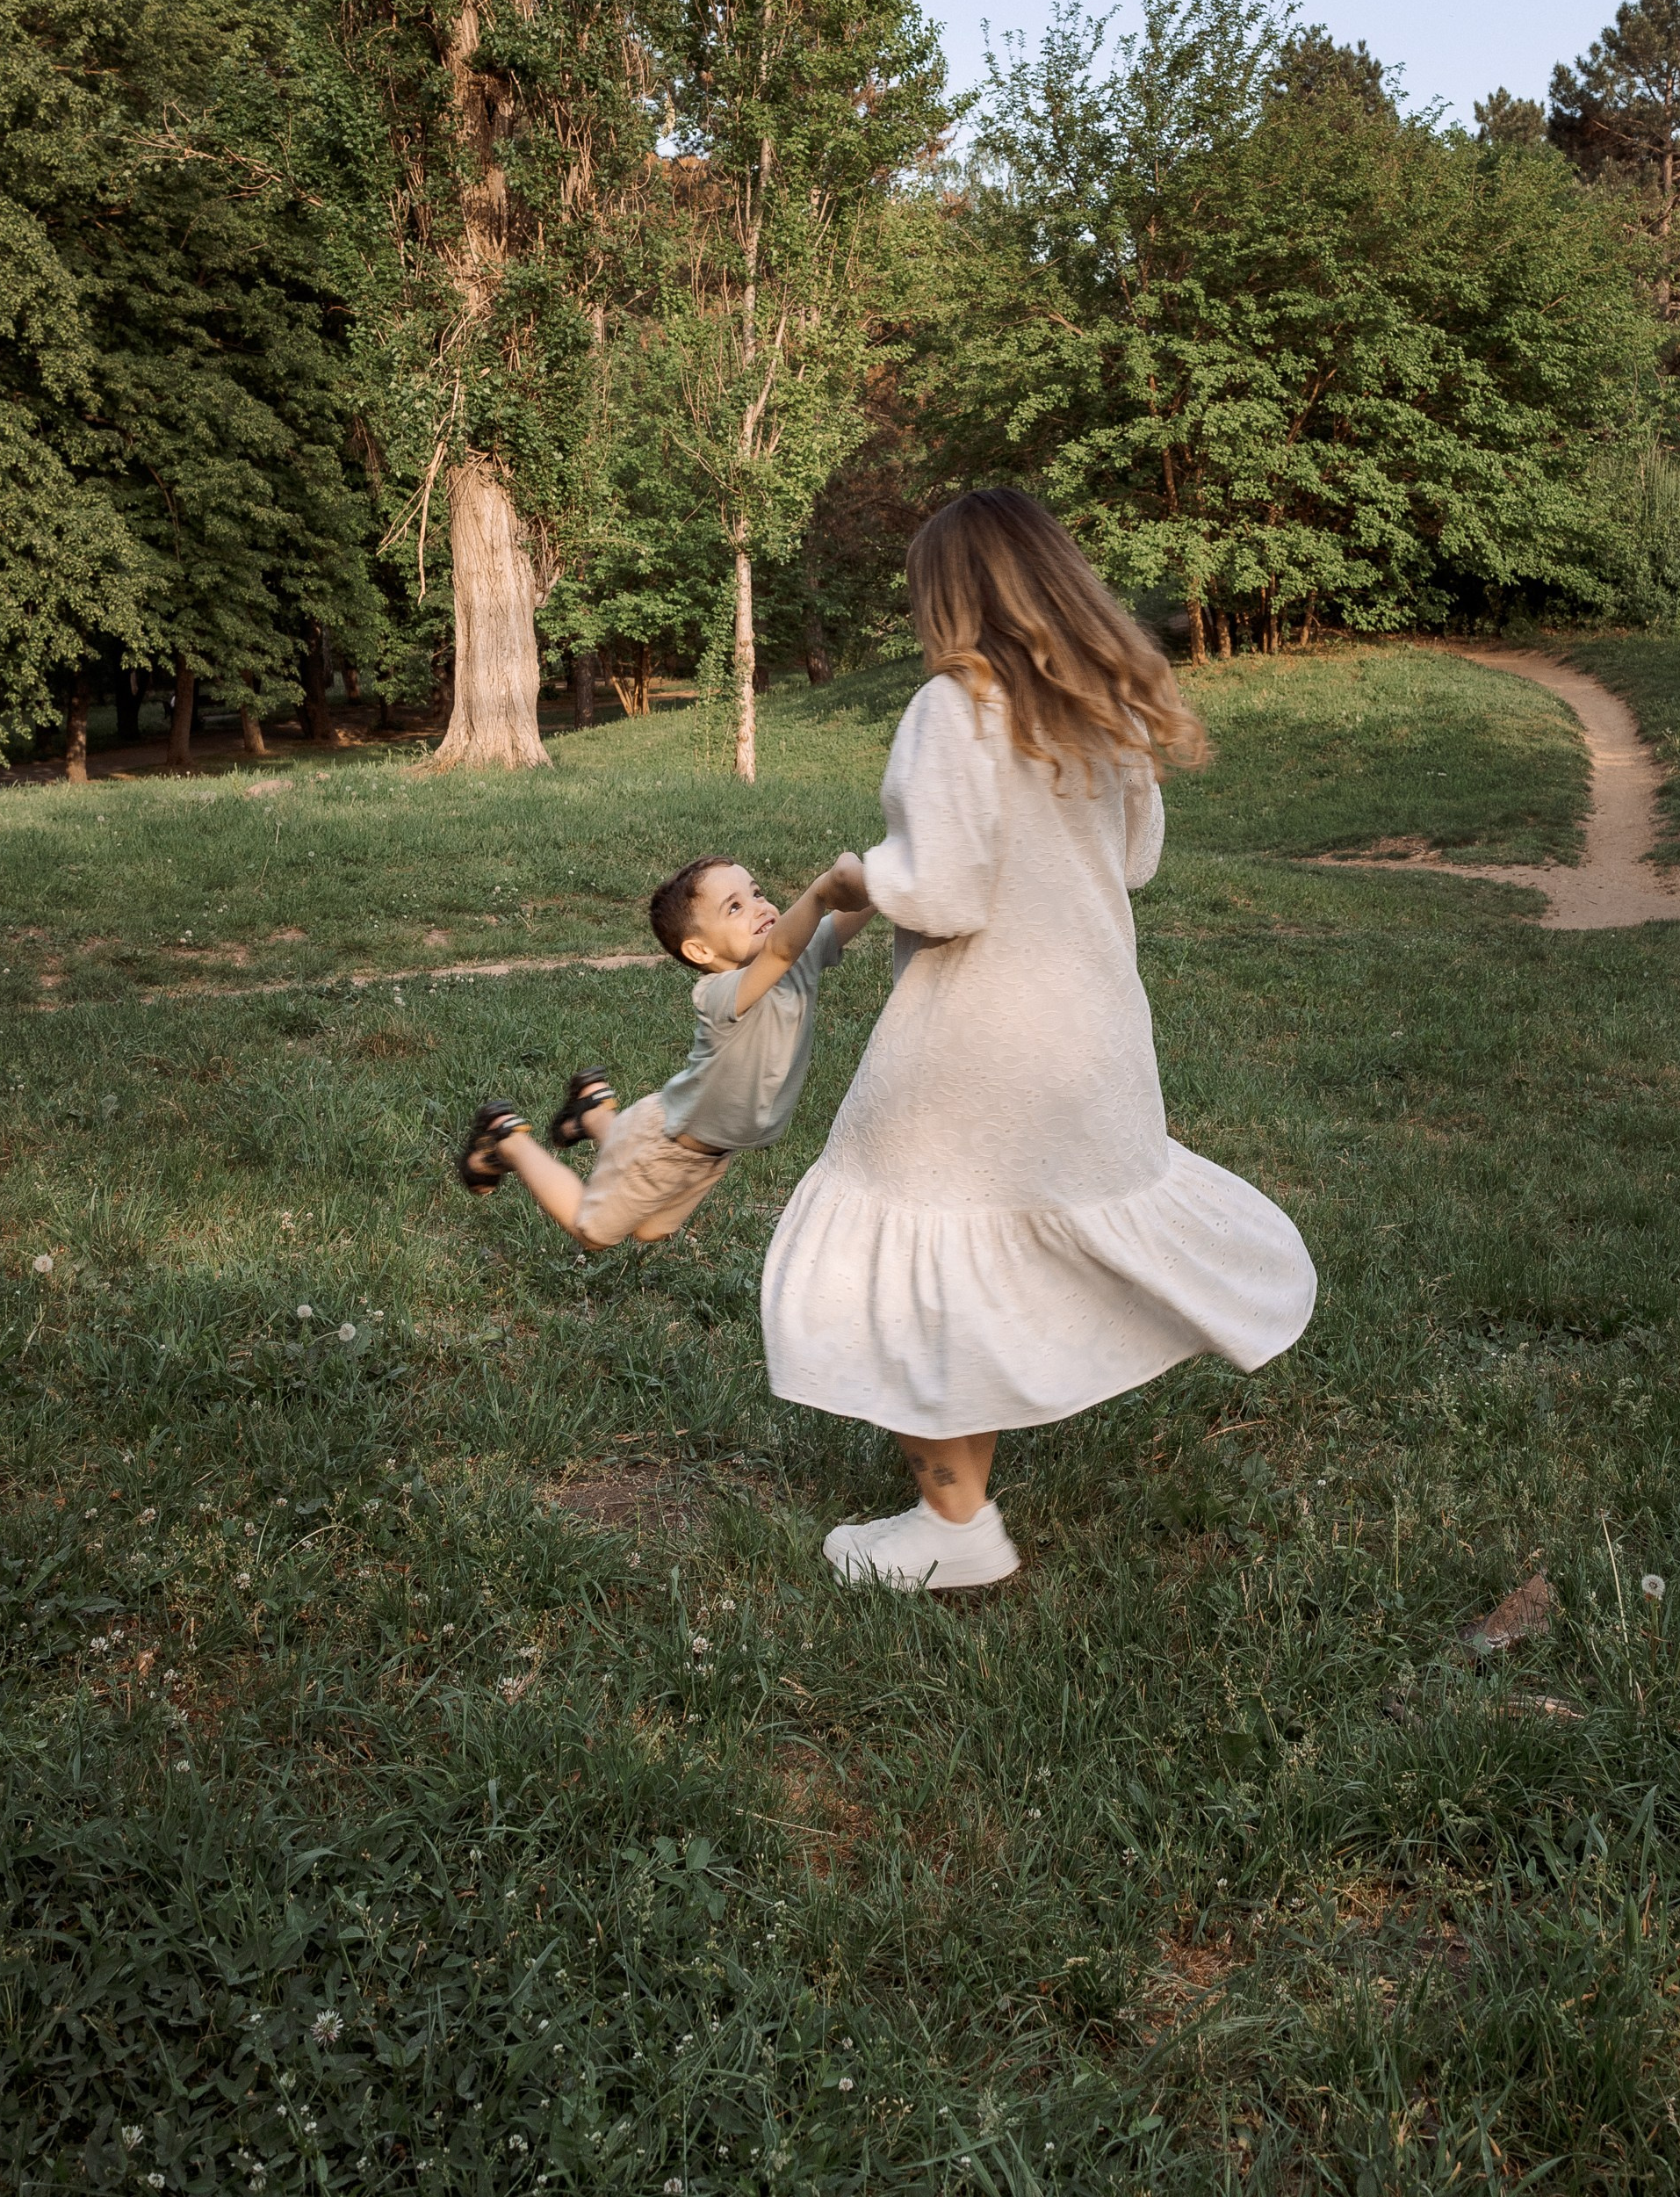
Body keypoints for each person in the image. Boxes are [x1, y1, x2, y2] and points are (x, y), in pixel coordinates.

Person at [761, 488, 1317, 1590]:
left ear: (953, 598)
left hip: (974, 1044)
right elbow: (1136, 862)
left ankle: (954, 1530)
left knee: (906, 1258)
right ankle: (956, 1517)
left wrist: (856, 876)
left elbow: (946, 892)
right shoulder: (1099, 713)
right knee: (984, 1253)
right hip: (1091, 1034)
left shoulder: (954, 709)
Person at [455, 853, 874, 1247]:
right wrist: (821, 891)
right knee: (593, 1232)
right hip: (667, 1146)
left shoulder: (801, 959)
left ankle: (593, 1112)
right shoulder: (721, 993)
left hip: (707, 1151)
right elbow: (783, 947)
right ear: (700, 952)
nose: (759, 906)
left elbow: (858, 909)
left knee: (650, 1231)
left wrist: (893, 874)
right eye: (735, 907)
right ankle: (506, 1137)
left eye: (758, 893)